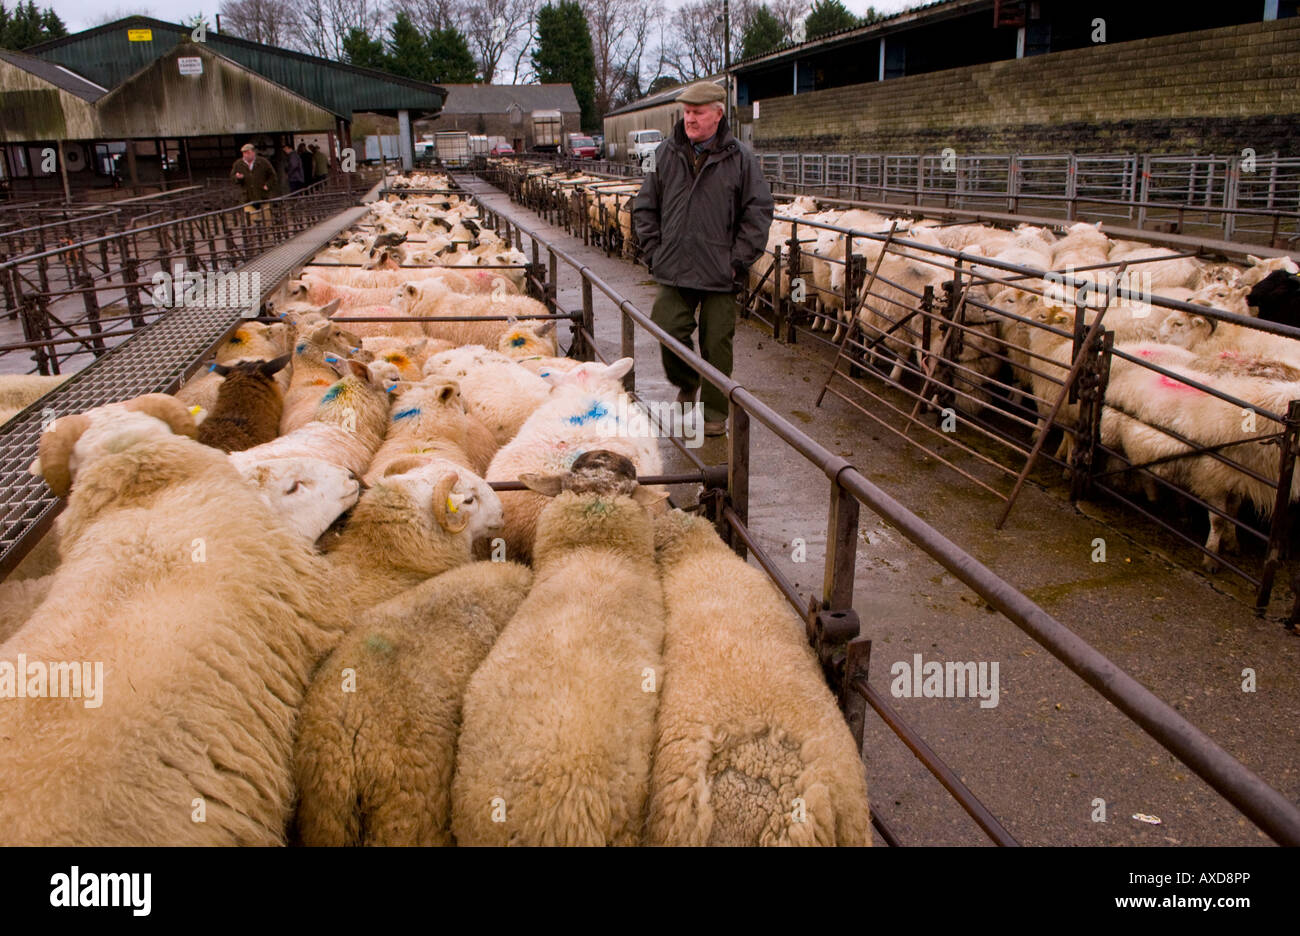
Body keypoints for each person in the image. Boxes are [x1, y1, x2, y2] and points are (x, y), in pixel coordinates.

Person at [632, 81, 774, 437]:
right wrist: (653, 251)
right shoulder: (665, 153)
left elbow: (758, 212)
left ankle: (714, 413)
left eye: (697, 112)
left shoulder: (740, 159)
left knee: (716, 342)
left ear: (717, 113)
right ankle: (686, 380)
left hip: (719, 271)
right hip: (675, 266)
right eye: (686, 112)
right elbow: (645, 206)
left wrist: (738, 260)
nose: (690, 119)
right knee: (667, 327)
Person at [230, 143, 275, 222]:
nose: (246, 155)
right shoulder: (238, 164)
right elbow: (232, 177)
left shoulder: (263, 162)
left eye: (248, 153)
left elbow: (273, 176)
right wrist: (238, 178)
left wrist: (268, 185)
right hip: (248, 197)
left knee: (267, 220)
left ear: (253, 152)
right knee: (252, 222)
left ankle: (267, 232)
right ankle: (255, 232)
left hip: (263, 195)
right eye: (244, 153)